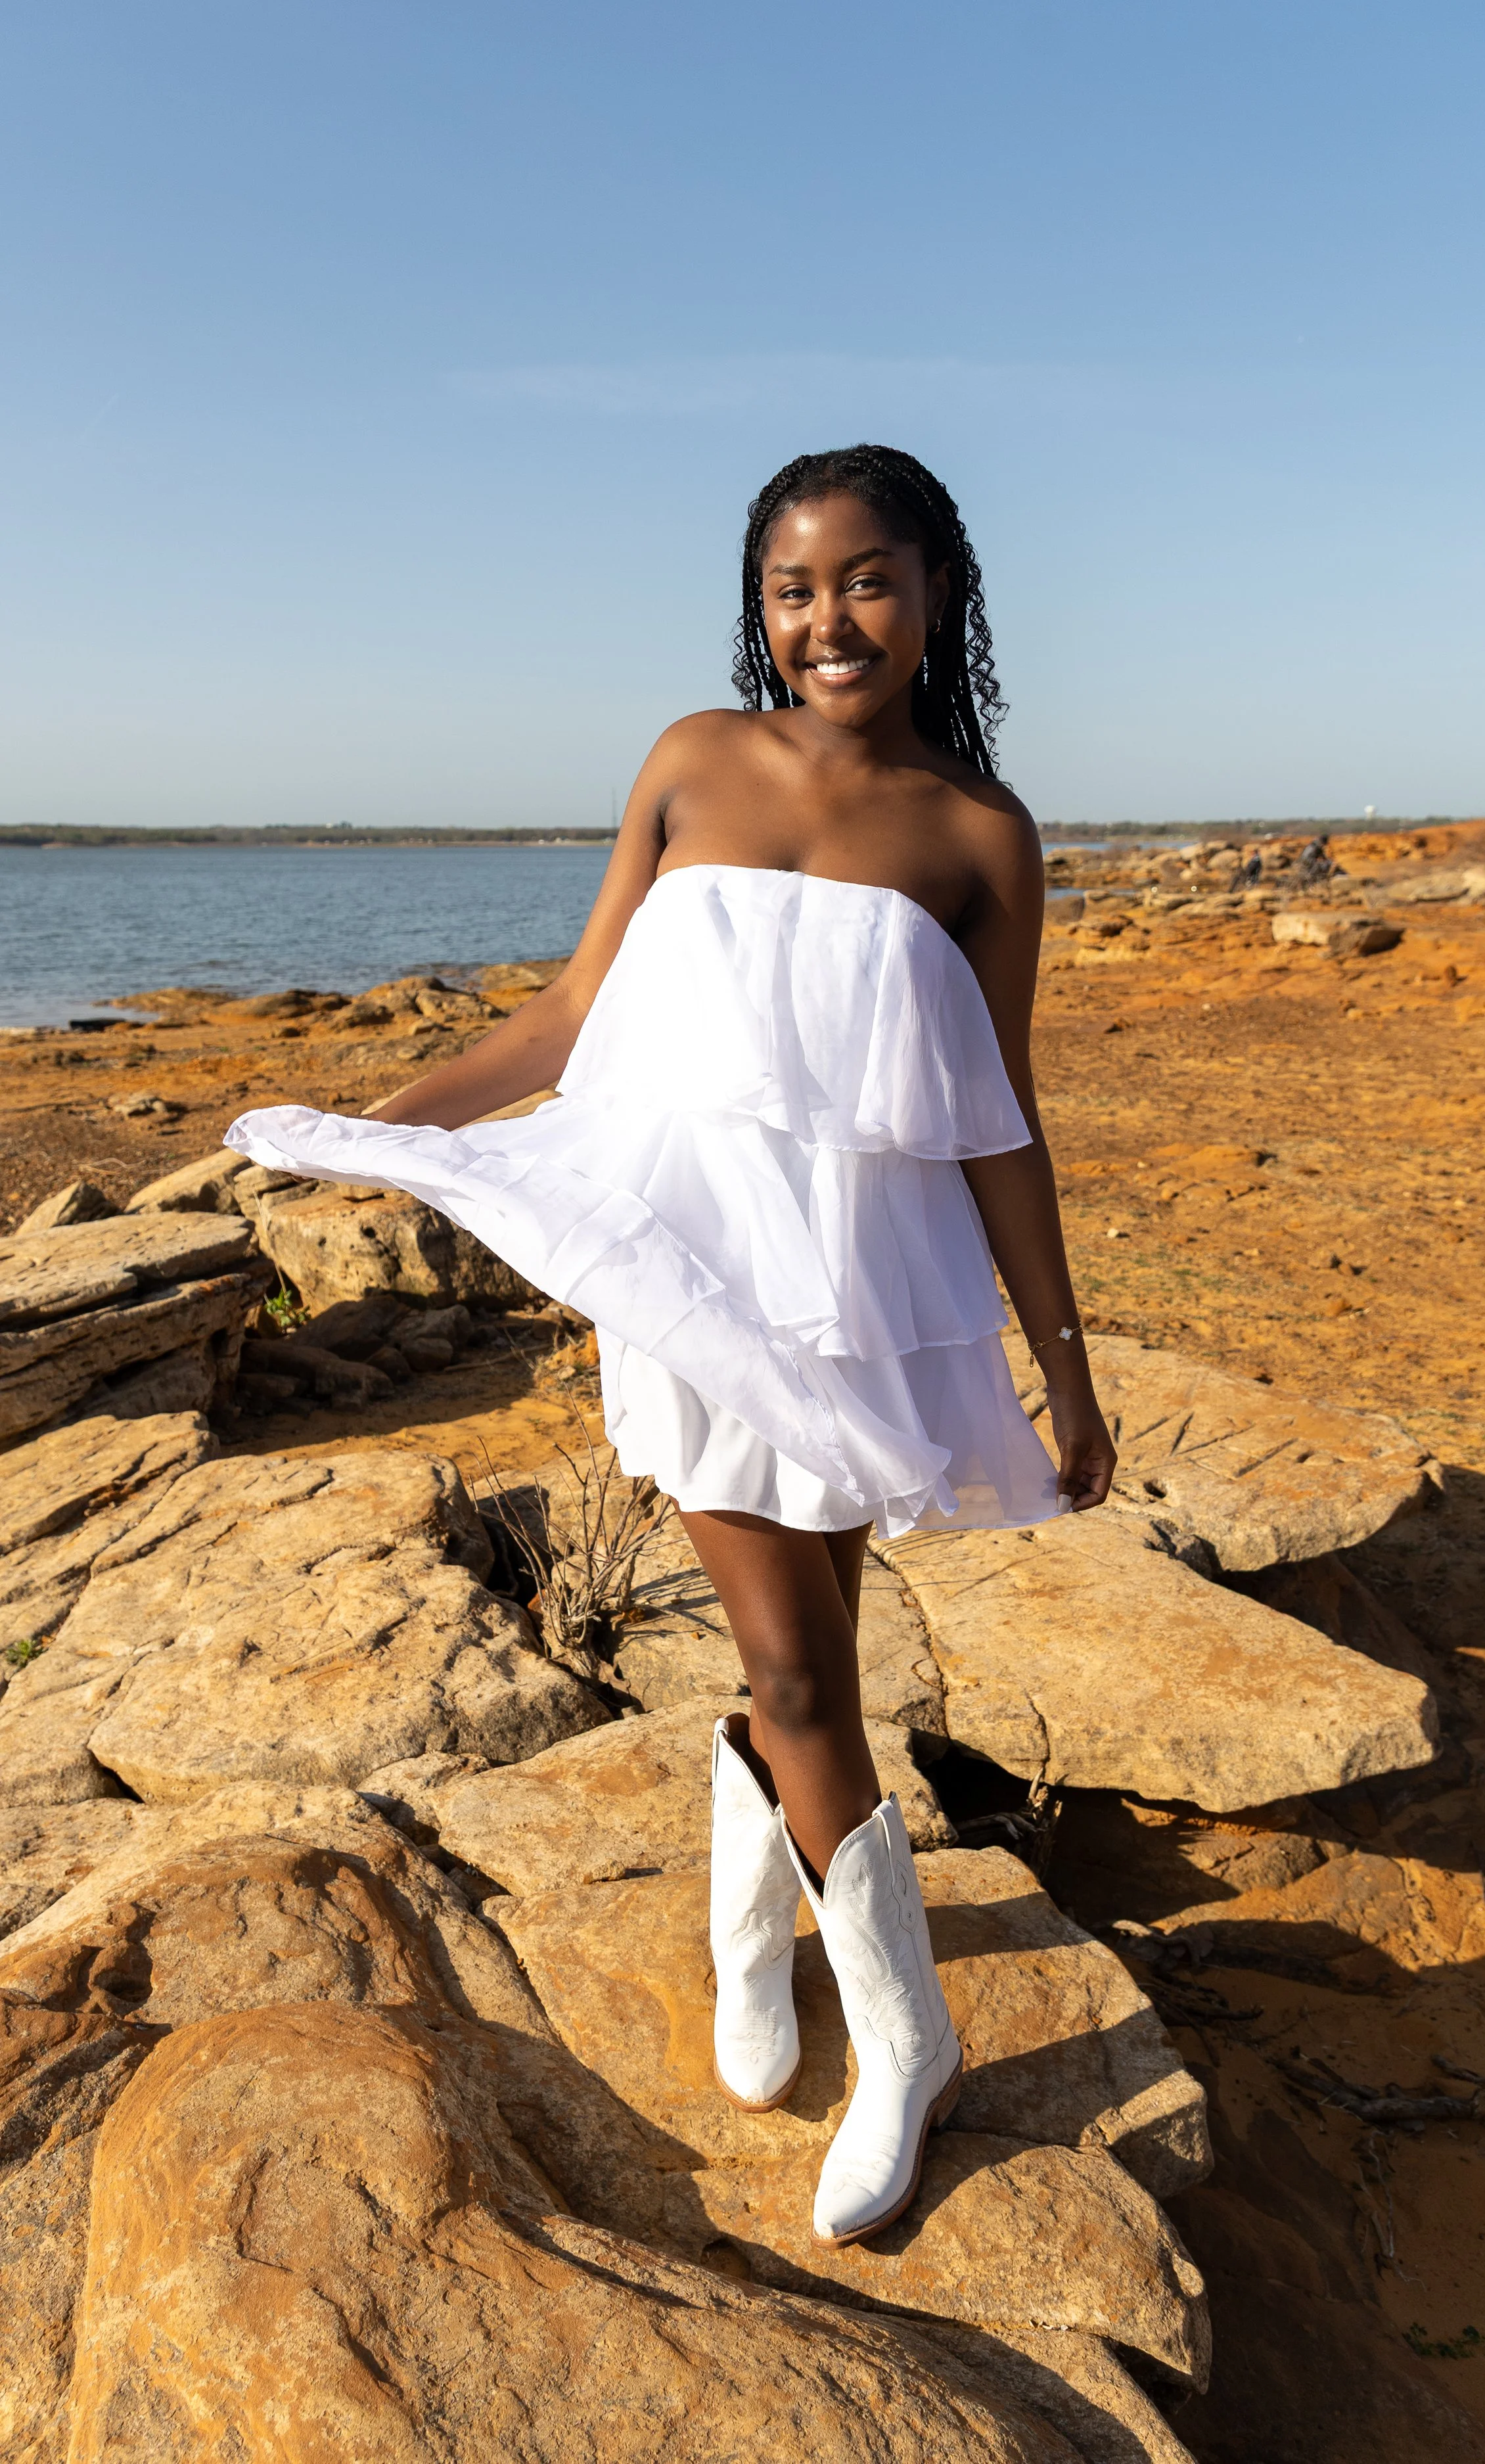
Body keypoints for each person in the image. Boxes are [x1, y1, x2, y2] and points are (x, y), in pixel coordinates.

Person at [227, 443, 1118, 2246]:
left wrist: (1064, 1358)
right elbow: (570, 1013)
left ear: (935, 587)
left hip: (869, 1295)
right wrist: (377, 1126)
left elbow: (995, 1113)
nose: (826, 619)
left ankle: (752, 1934)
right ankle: (908, 2028)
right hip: (695, 1283)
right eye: (793, 587)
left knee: (814, 1660)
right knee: (799, 1673)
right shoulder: (691, 763)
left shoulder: (975, 834)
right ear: (758, 605)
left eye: (865, 578)